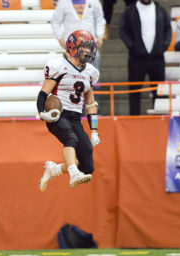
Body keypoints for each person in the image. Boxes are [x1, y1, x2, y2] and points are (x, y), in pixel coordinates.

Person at [36, 30, 101, 192]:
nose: (88, 51)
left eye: (90, 48)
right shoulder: (59, 66)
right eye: (84, 47)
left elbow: (91, 104)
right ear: (72, 47)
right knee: (71, 139)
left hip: (76, 118)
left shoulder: (90, 72)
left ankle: (54, 170)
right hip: (58, 114)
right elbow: (43, 94)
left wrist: (94, 130)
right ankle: (73, 173)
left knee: (87, 165)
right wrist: (42, 113)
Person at [119, 0, 172, 115]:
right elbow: (123, 31)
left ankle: (160, 119)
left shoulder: (161, 10)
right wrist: (133, 46)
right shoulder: (129, 11)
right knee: (134, 91)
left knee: (159, 91)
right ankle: (134, 120)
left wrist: (163, 45)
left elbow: (168, 29)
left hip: (157, 58)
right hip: (136, 58)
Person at [50, 0, 106, 70]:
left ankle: (94, 81)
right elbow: (55, 21)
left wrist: (100, 36)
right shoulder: (63, 2)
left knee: (93, 67)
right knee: (72, 71)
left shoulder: (94, 1)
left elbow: (99, 19)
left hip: (89, 42)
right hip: (72, 43)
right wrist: (59, 38)